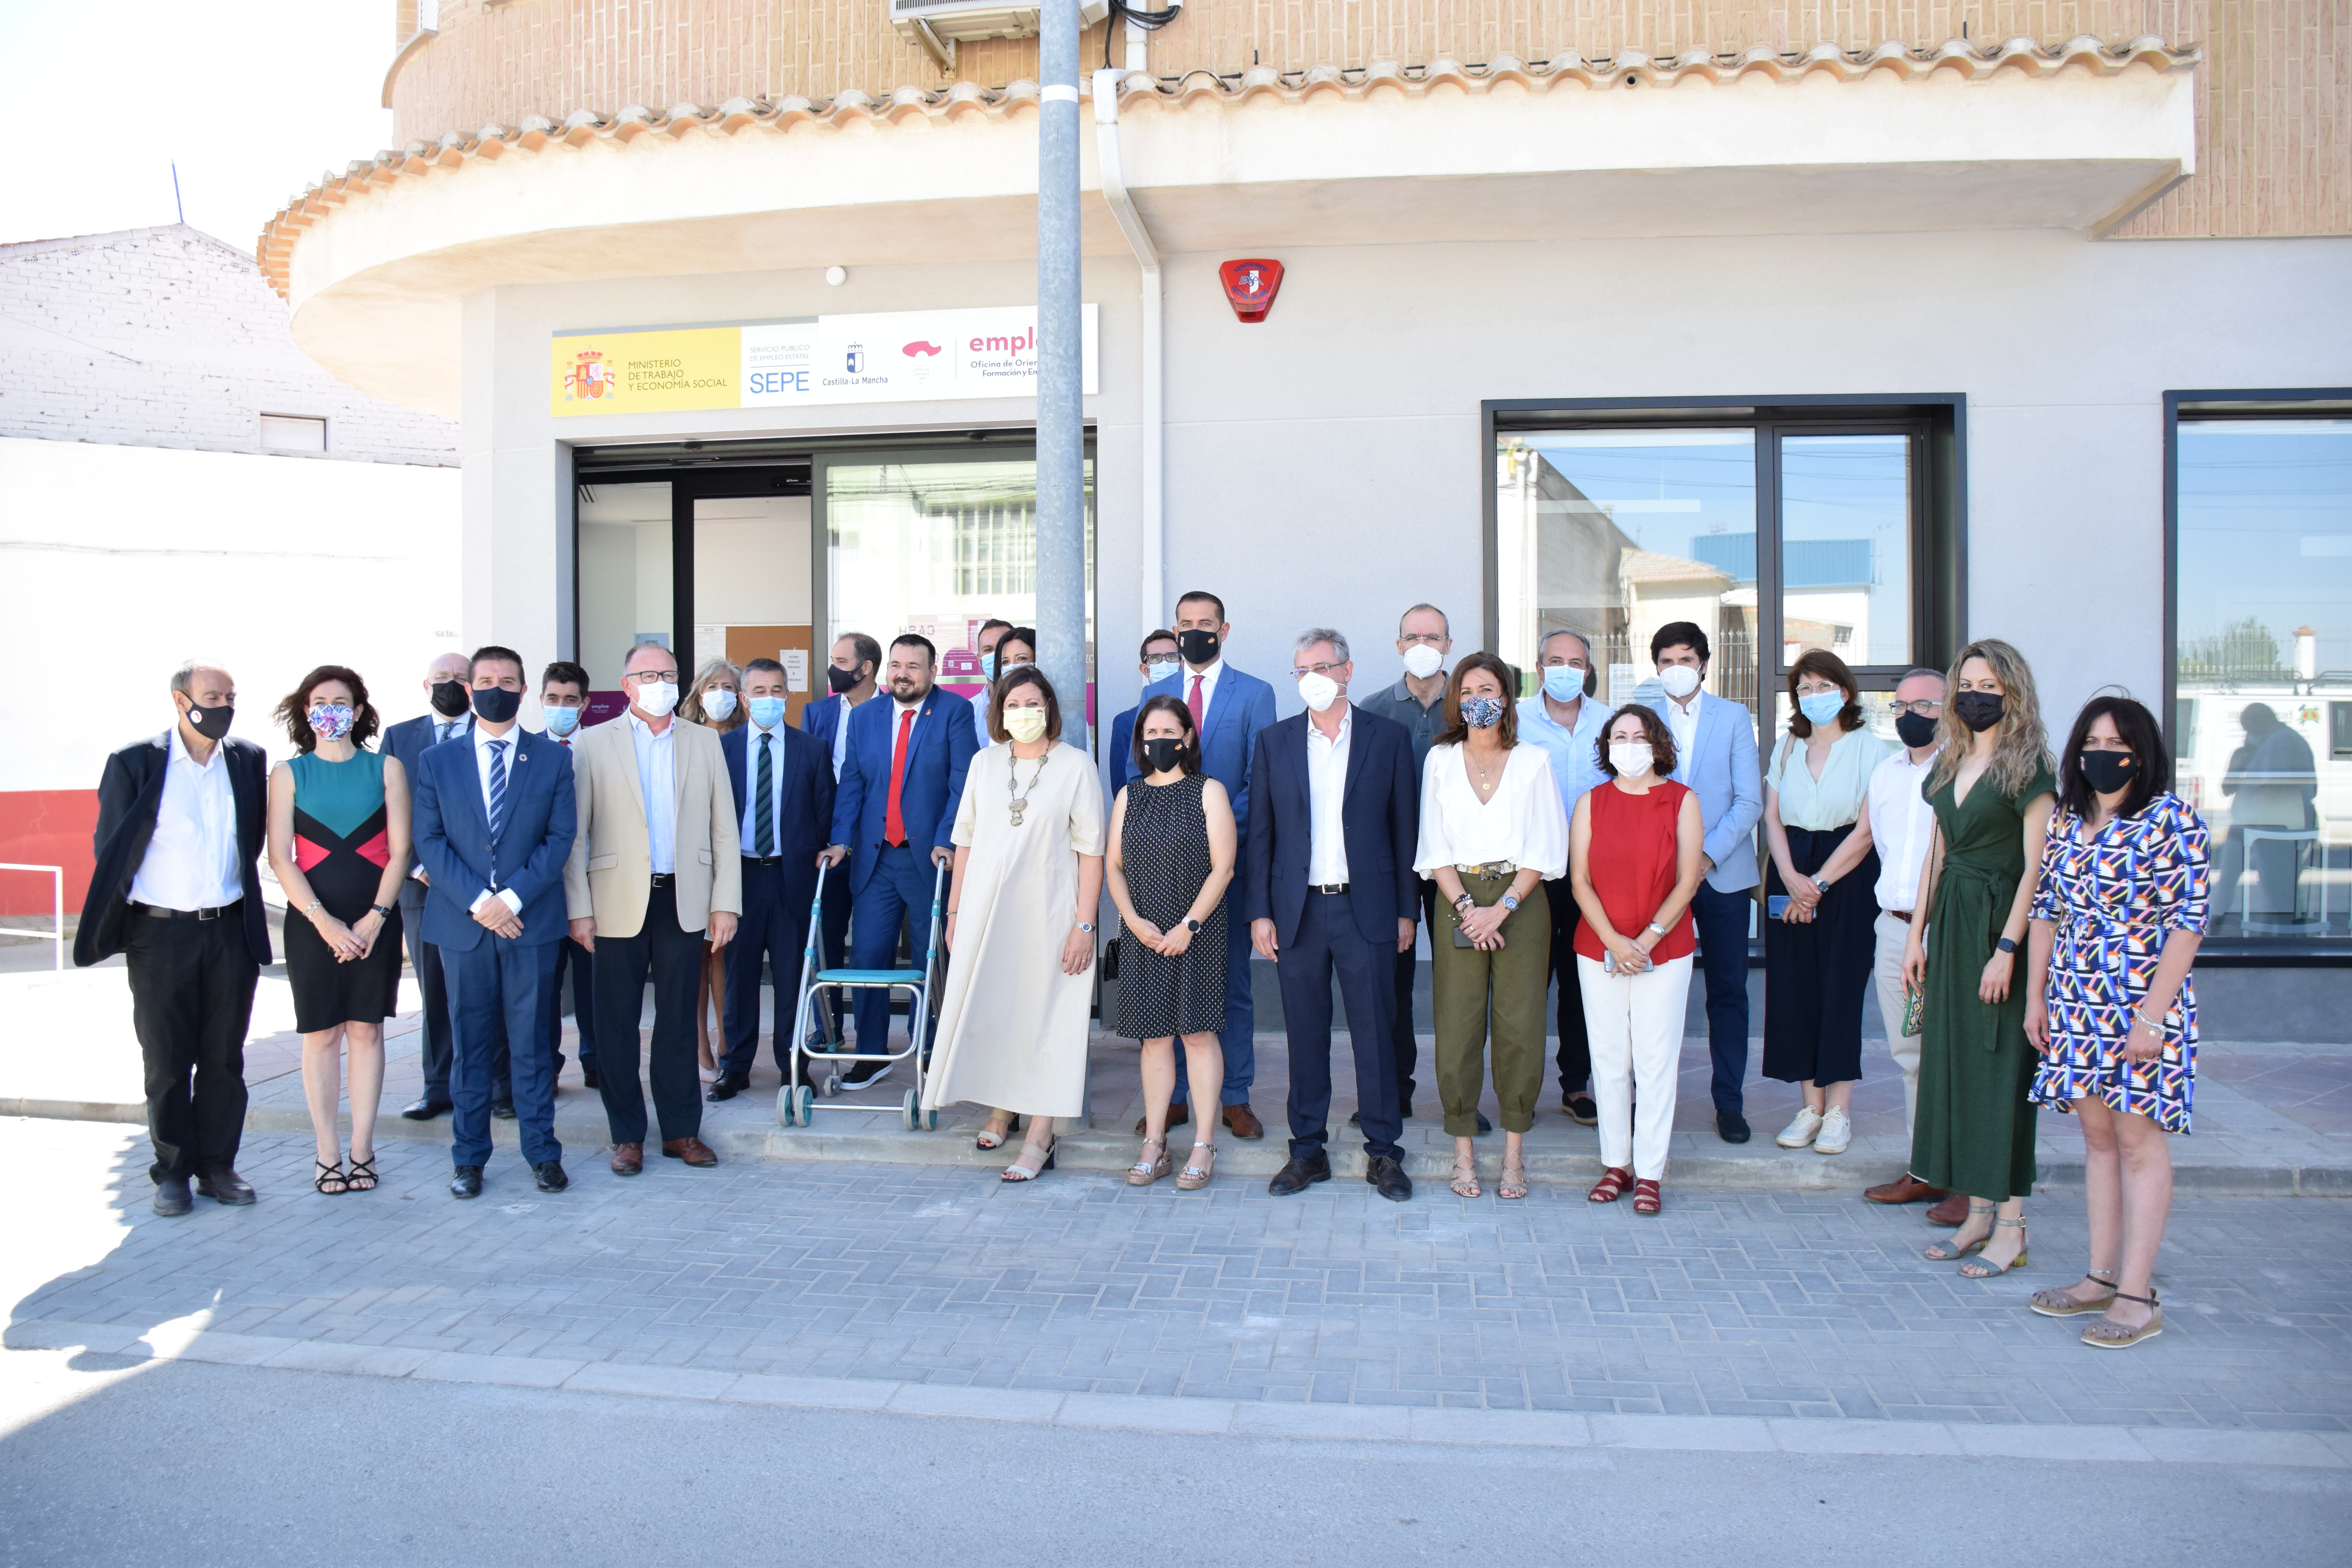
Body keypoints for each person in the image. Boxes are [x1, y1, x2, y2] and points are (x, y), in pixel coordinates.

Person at [2025, 696, 2210, 1350]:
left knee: (2138, 1144)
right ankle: (2099, 1278)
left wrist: (2152, 1020)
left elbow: (2188, 925)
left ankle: (2138, 1295)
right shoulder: (2067, 819)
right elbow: (2045, 909)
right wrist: (2037, 997)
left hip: (2141, 1006)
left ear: (2142, 752)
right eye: (2092, 743)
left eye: (2117, 744)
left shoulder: (2172, 821)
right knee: (2098, 1141)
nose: (2103, 754)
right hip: (2076, 1004)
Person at [76, 660, 272, 1216]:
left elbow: (251, 841)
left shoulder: (247, 760)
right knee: (166, 1060)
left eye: (231, 697)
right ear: (181, 701)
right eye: (213, 696)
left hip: (230, 930)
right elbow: (111, 849)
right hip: (160, 934)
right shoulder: (135, 762)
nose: (224, 706)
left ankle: (218, 1167)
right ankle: (173, 1172)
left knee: (223, 1058)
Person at [1903, 638, 2057, 1280]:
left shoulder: (2031, 768)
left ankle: (2013, 1226)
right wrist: (1917, 935)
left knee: (2000, 1075)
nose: (1976, 696)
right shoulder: (1950, 760)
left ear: (2012, 692)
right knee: (1958, 1070)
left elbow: (2037, 870)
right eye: (1967, 685)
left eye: (1989, 686)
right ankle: (1978, 1213)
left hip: (1999, 928)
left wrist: (2007, 951)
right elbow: (1936, 855)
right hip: (1952, 926)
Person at [1247, 630, 1419, 1202]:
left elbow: (1405, 830)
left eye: (1323, 667)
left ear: (1347, 670)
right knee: (1305, 1034)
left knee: (1376, 1034)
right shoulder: (1274, 742)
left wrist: (1407, 911)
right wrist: (1260, 913)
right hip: (1297, 911)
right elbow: (1263, 834)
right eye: (1303, 670)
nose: (1313, 678)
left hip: (1366, 908)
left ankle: (1384, 1152)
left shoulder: (1387, 738)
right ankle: (1307, 1151)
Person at [921, 667, 1105, 1180]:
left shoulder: (1076, 765)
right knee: (1000, 1011)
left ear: (1050, 707)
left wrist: (1084, 926)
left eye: (1033, 703)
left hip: (1050, 912)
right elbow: (964, 841)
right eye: (1013, 704)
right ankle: (1003, 1110)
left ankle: (1042, 1134)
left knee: (1046, 1018)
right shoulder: (984, 763)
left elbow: (1091, 851)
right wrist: (955, 912)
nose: (1024, 712)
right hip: (985, 911)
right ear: (999, 712)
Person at [410, 646, 579, 1198]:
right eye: (485, 681)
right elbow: (430, 841)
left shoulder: (552, 759)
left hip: (530, 923)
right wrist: (481, 903)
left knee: (532, 1045)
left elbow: (559, 839)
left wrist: (511, 899)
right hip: (464, 926)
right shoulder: (438, 760)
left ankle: (542, 1153)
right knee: (471, 1045)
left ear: (523, 691)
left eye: (507, 681)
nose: (495, 690)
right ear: (469, 689)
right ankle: (468, 1158)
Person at [566, 641, 741, 1174]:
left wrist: (725, 903)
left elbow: (724, 828)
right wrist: (579, 908)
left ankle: (681, 1131)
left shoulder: (703, 742)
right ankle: (627, 1135)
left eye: (667, 674)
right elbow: (576, 836)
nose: (659, 684)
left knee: (679, 1021)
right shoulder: (593, 743)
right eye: (647, 676)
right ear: (626, 685)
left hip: (683, 899)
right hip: (614, 900)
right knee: (616, 1022)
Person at [1415, 652, 1565, 1201]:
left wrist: (1499, 910)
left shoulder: (1534, 761)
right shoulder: (1440, 760)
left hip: (1520, 900)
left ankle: (1514, 1154)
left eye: (1489, 689)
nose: (1478, 699)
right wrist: (1467, 909)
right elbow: (1434, 846)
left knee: (1519, 1025)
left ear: (1506, 696)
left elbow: (1546, 846)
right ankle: (1463, 1151)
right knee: (1457, 1024)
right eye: (1468, 690)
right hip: (1456, 896)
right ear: (1456, 700)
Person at [264, 666, 410, 1196]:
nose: (331, 710)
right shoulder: (288, 773)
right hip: (312, 924)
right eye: (320, 702)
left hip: (375, 922)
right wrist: (324, 922)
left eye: (341, 702)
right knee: (322, 1034)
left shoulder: (387, 768)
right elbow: (280, 857)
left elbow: (400, 852)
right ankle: (327, 1151)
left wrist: (375, 918)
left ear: (358, 709)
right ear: (307, 711)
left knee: (367, 1031)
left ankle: (363, 1149)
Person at [1139, 591, 1277, 1140]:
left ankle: (1235, 1096)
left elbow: (1258, 778)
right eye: (1185, 624)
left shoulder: (1256, 693)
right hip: (1163, 868)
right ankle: (1175, 1096)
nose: (1194, 631)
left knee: (1231, 983)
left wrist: (1210, 830)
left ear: (1224, 629)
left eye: (1205, 623)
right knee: (1168, 979)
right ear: (1174, 630)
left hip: (1227, 862)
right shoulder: (1155, 694)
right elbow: (1142, 772)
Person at [825, 633, 980, 1086]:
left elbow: (963, 784)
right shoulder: (865, 716)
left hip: (930, 859)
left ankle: (929, 1051)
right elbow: (852, 783)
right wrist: (840, 841)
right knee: (868, 959)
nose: (903, 674)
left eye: (913, 666)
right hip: (876, 861)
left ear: (933, 671)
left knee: (931, 960)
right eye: (896, 665)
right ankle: (871, 1055)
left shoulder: (954, 711)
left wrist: (948, 840)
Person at [1571, 705, 1705, 1215]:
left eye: (1639, 736)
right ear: (1607, 746)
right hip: (1599, 948)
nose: (1629, 745)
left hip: (1664, 949)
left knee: (1655, 1061)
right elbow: (1579, 880)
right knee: (1608, 1060)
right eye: (1619, 737)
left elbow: (1687, 881)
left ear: (1658, 744)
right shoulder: (1591, 802)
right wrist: (1614, 941)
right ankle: (1616, 1164)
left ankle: (1650, 1171)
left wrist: (1644, 941)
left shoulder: (1682, 801)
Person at [1760, 651, 1889, 1156]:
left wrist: (1816, 884)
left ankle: (1838, 1112)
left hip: (1847, 872)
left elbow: (1866, 830)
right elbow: (1772, 817)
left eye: (1824, 686)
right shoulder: (1788, 745)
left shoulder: (1870, 748)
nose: (1815, 696)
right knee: (1795, 988)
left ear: (1846, 691)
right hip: (1791, 865)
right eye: (1805, 688)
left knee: (1840, 989)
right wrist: (1792, 878)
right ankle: (1810, 1107)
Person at [1106, 695, 1236, 1188]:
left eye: (1168, 732)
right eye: (1151, 734)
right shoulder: (1130, 795)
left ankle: (1204, 1144)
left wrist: (1190, 926)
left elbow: (1224, 867)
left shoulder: (1209, 791)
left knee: (1198, 1035)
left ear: (1188, 737)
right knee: (1154, 1039)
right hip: (1144, 933)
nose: (1159, 741)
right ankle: (1155, 1143)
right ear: (1140, 742)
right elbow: (1113, 865)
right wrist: (1133, 920)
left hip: (1196, 932)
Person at [1646, 621, 1762, 1143]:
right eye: (1667, 661)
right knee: (1653, 990)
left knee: (1728, 990)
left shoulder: (1733, 717)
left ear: (1705, 665)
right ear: (1656, 668)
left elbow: (1748, 800)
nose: (1677, 669)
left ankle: (1729, 1102)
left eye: (1686, 660)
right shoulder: (1642, 718)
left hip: (1722, 876)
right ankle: (1648, 1099)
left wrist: (1704, 858)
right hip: (1657, 877)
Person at [1356, 603, 1463, 1129]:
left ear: (1449, 645)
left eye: (1433, 636)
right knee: (1389, 985)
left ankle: (1460, 1101)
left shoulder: (1468, 707)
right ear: (1398, 646)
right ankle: (1391, 1094)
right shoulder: (1373, 710)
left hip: (1456, 868)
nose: (1423, 645)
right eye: (1412, 637)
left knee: (1459, 985)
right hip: (1391, 866)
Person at [711, 657, 835, 1101]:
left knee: (791, 977)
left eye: (777, 690)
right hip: (740, 878)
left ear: (788, 695)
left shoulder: (812, 749)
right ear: (744, 699)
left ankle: (793, 1065)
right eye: (759, 691)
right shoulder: (721, 750)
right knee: (739, 976)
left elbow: (824, 812)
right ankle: (735, 1067)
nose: (769, 698)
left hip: (791, 877)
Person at [1861, 668, 1961, 1216]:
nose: (1909, 715)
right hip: (1895, 929)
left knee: (1958, 1052)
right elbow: (1877, 843)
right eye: (1900, 706)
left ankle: (1969, 1177)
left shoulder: (1964, 769)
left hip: (1951, 929)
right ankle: (1926, 1169)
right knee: (1911, 1053)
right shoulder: (1886, 774)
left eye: (1923, 706)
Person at [1512, 626, 1611, 1126]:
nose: (1566, 670)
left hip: (1593, 875)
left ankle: (1576, 1085)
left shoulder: (1612, 722)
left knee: (1580, 982)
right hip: (1533, 871)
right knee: (1528, 983)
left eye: (1576, 663)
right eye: (1556, 661)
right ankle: (1520, 1087)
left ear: (1588, 671)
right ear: (1539, 668)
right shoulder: (1516, 721)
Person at [382, 650, 477, 1121]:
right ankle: (438, 1087)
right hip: (421, 889)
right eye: (442, 676)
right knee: (435, 992)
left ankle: (490, 1086)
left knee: (481, 991)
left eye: (461, 676)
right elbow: (386, 811)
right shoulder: (399, 737)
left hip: (481, 890)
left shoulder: (491, 732)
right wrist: (419, 867)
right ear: (426, 685)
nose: (451, 683)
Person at [803, 632, 882, 1044]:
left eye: (841, 661)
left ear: (865, 668)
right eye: (832, 659)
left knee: (872, 945)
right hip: (832, 845)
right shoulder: (817, 713)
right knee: (827, 938)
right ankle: (827, 1028)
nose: (833, 669)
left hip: (879, 845)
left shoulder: (892, 710)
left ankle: (876, 1034)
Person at [680, 655, 744, 1083]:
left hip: (735, 862)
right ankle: (699, 1045)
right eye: (712, 687)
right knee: (696, 957)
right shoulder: (682, 737)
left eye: (728, 687)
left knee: (724, 954)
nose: (720, 695)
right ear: (699, 695)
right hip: (692, 860)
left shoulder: (747, 738)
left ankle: (728, 1043)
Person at [538, 661, 599, 1090]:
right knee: (544, 986)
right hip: (541, 888)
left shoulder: (599, 749)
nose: (561, 707)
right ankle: (547, 1068)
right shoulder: (527, 751)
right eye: (553, 699)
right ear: (541, 700)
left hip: (594, 884)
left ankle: (596, 1062)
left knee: (595, 983)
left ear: (585, 704)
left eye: (570, 700)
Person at [2215, 701, 2319, 933]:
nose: (2247, 734)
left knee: (2278, 886)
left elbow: (2274, 784)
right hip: (2252, 823)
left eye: (2249, 728)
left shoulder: (2281, 741)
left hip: (2272, 824)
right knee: (2270, 884)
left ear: (2259, 723)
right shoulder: (2265, 745)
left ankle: (2278, 936)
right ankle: (2220, 925)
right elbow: (2229, 787)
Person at [1107, 629, 1182, 797]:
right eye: (1155, 658)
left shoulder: (1194, 714)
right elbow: (1122, 788)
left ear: (1181, 665)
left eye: (1171, 657)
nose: (1164, 664)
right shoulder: (1126, 722)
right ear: (1145, 670)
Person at [971, 617, 1014, 725]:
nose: (997, 655)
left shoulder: (1041, 704)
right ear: (979, 660)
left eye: (1003, 646)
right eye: (988, 650)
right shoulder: (970, 711)